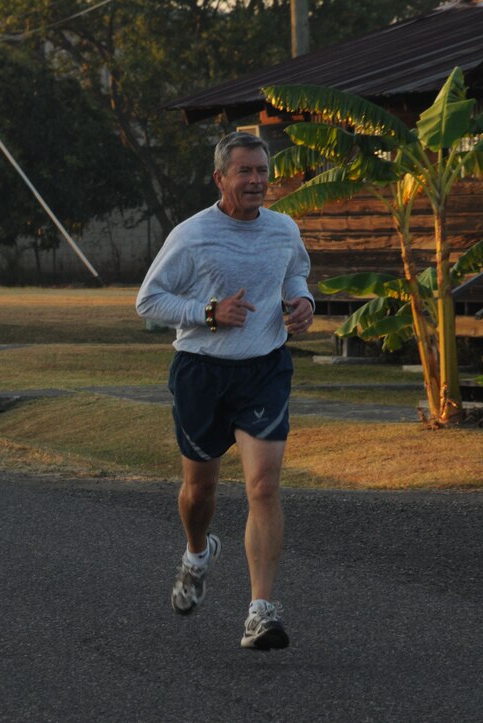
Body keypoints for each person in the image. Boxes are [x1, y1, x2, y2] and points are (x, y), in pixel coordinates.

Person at [135, 131, 314, 650]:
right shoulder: (191, 235)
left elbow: (296, 273)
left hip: (264, 369)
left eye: (262, 171)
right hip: (202, 371)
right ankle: (196, 553)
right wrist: (207, 314)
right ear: (220, 178)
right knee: (201, 491)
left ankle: (261, 610)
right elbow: (148, 301)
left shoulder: (283, 229)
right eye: (245, 172)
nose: (257, 180)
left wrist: (302, 302)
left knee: (263, 485)